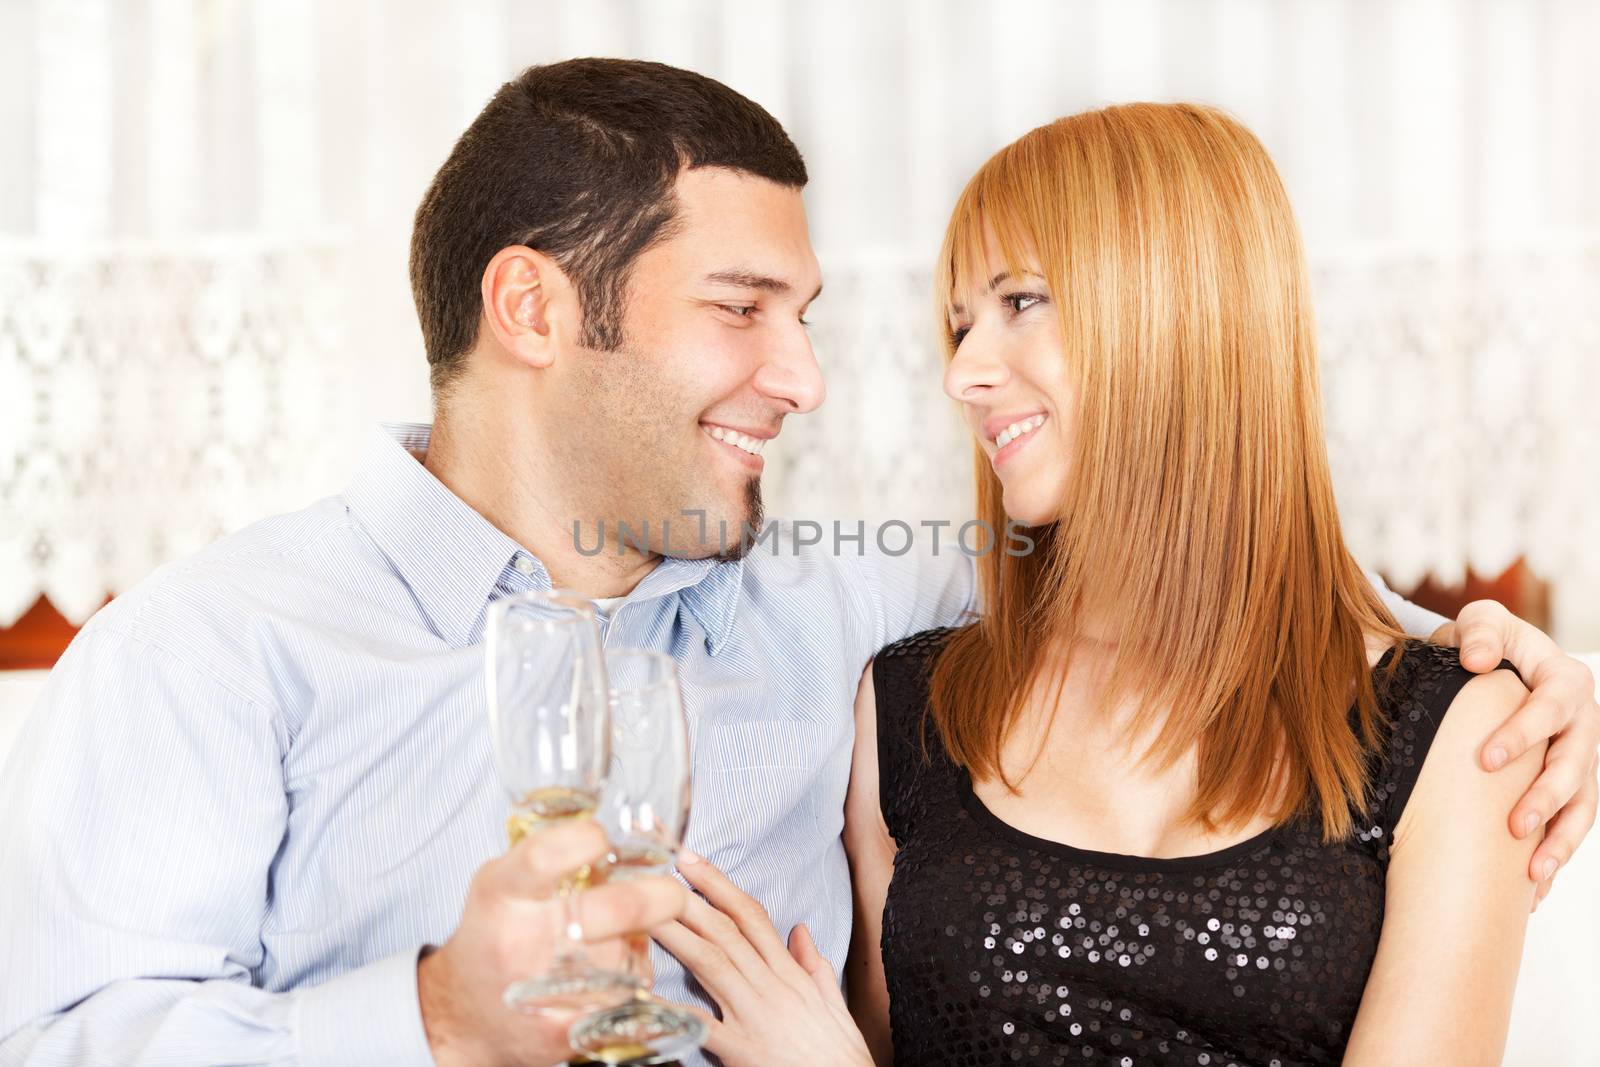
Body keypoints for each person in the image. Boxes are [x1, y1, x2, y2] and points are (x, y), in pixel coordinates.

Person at [0, 61, 1593, 1067]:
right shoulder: (215, 650)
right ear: (537, 309)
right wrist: (424, 1022)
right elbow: (70, 1038)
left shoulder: (836, 611)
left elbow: (1179, 552)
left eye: (812, 316)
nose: (810, 376)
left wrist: (1486, 654)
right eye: (743, 308)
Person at [658, 103, 1593, 1066]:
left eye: (1020, 302)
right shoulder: (906, 706)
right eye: (960, 324)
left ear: (1184, 314)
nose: (965, 372)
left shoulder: (1462, 730)